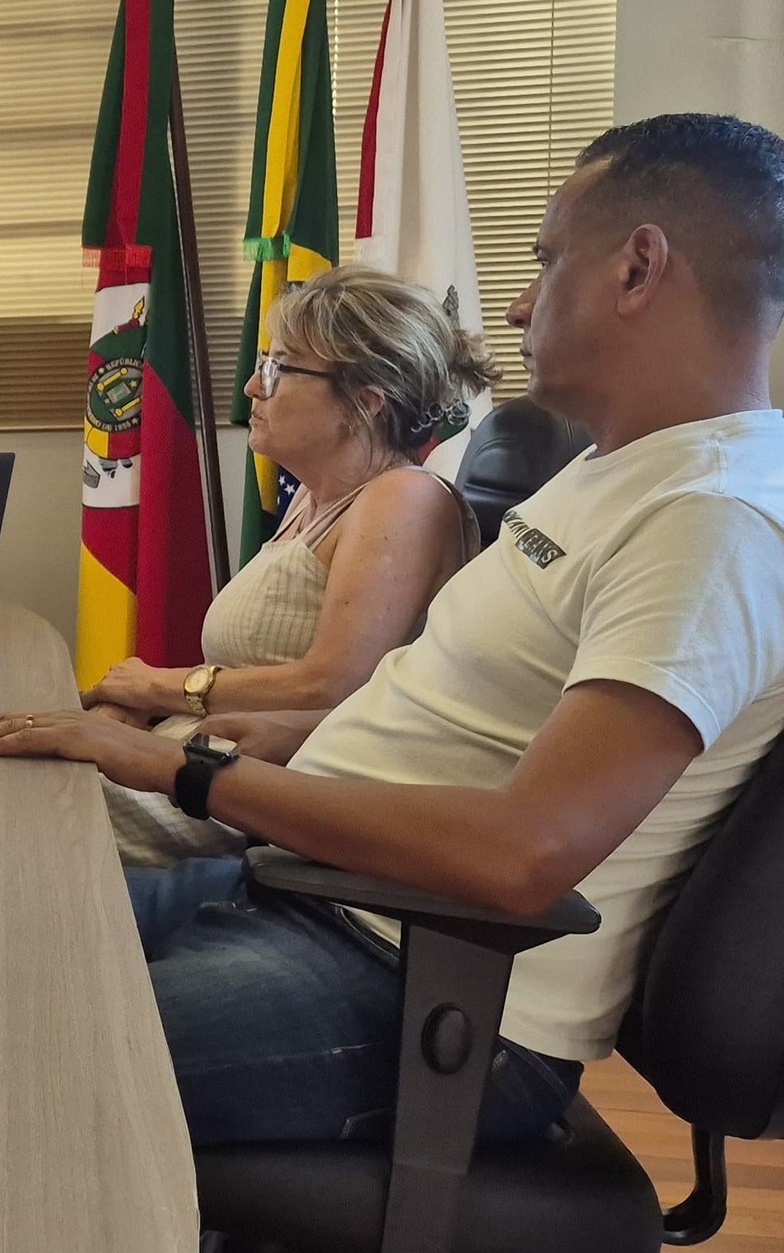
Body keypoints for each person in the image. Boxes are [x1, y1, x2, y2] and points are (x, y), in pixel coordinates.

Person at [0, 114, 784, 1148]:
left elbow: (523, 854)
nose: (517, 303)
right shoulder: (611, 475)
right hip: (322, 897)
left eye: (546, 260)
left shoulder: (716, 520)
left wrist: (183, 769)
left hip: (430, 994)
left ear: (638, 268)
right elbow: (457, 719)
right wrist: (257, 736)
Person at [85, 266, 489, 864]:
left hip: (269, 790)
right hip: (209, 754)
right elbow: (261, 669)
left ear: (364, 403)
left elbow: (333, 684)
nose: (252, 386)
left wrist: (157, 686)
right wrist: (143, 706)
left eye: (279, 369)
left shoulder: (405, 499)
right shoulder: (313, 496)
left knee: (24, 810)